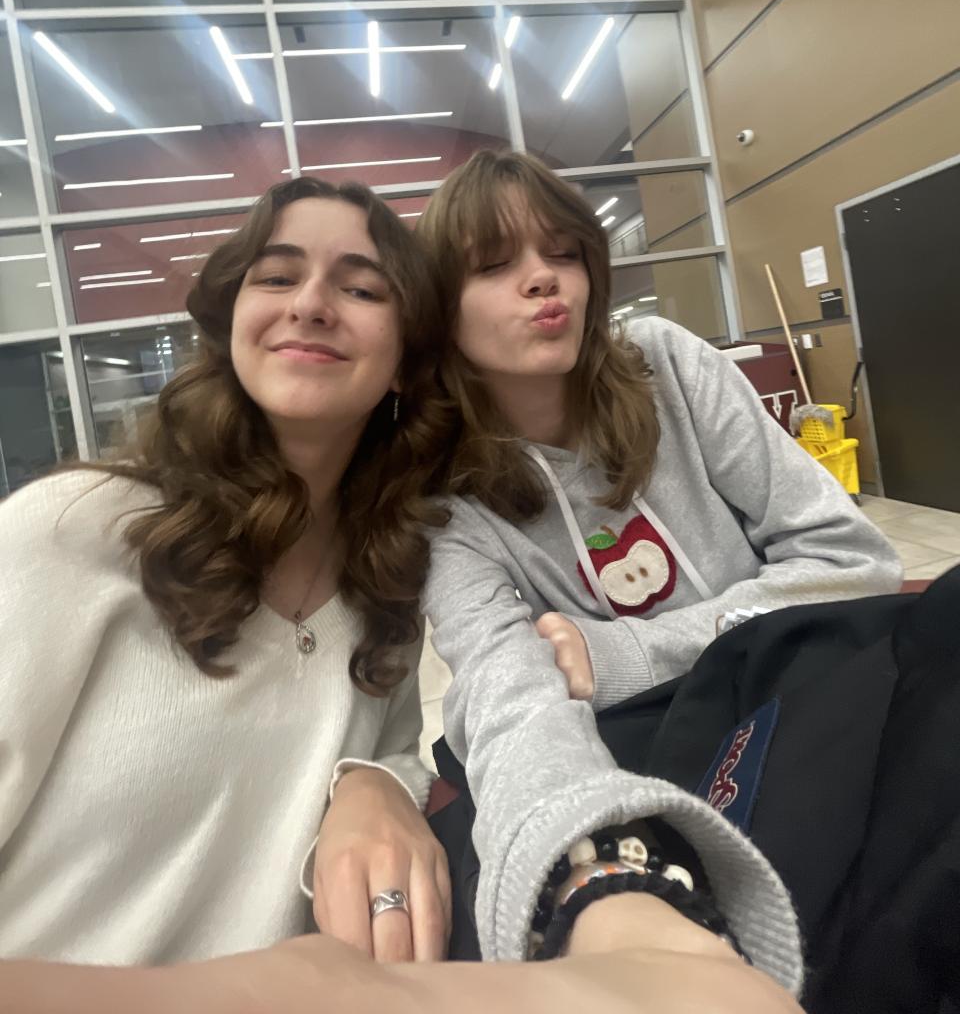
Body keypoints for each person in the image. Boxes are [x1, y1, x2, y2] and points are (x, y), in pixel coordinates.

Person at [0, 174, 801, 1014]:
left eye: (359, 288)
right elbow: (511, 691)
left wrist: (374, 783)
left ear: (405, 359)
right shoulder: (67, 534)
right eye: (277, 276)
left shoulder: (382, 575)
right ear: (231, 320)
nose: (311, 303)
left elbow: (408, 740)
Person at [416, 149, 901, 988]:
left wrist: (625, 654)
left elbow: (854, 561)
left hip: (800, 687)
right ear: (439, 311)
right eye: (494, 266)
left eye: (563, 253)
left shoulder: (666, 364)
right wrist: (587, 881)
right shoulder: (444, 498)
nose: (544, 279)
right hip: (647, 749)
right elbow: (504, 685)